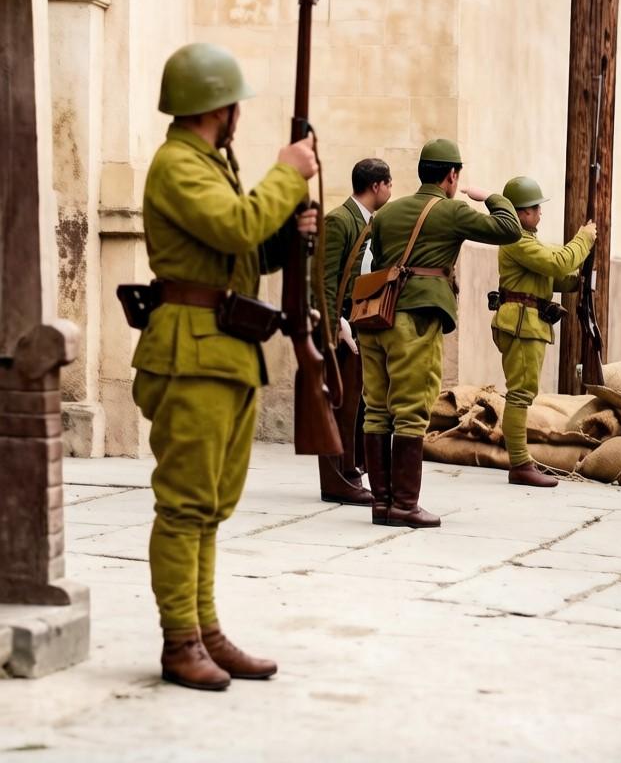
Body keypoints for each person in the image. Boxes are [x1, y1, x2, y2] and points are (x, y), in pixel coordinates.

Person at [131, 43, 318, 691]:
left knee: (211, 506)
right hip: (191, 353)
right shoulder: (178, 165)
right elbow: (236, 226)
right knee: (185, 505)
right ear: (217, 107)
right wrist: (287, 174)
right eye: (234, 103)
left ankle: (205, 631)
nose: (239, 113)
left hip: (225, 348)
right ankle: (180, 640)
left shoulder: (208, 163)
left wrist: (287, 235)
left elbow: (239, 253)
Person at [359, 139, 521, 528]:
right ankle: (404, 504)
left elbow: (378, 260)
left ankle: (381, 504)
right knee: (411, 410)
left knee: (377, 408)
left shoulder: (387, 212)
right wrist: (491, 197)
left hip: (374, 318)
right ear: (451, 175)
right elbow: (510, 228)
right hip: (415, 319)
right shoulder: (451, 211)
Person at [490, 176, 596, 487]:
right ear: (520, 212)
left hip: (529, 324)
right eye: (535, 208)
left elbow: (552, 276)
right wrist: (583, 239)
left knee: (523, 393)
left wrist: (580, 280)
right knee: (520, 395)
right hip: (521, 326)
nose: (539, 212)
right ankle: (520, 464)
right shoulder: (516, 240)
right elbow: (555, 262)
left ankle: (522, 462)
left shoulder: (527, 239)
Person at [318, 158, 393, 505]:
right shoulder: (340, 220)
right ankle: (336, 480)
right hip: (340, 325)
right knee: (338, 407)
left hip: (356, 322)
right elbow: (324, 279)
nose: (391, 190)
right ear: (376, 186)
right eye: (389, 183)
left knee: (353, 408)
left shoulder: (368, 222)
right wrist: (336, 325)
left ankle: (350, 471)